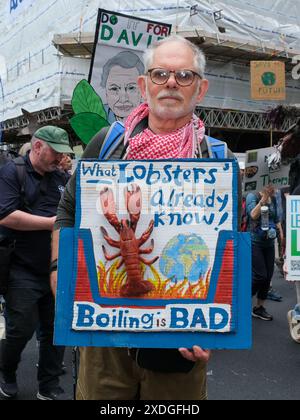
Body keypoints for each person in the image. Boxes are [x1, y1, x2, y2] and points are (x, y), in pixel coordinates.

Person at [52, 35, 239, 401]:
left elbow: (229, 246)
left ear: (200, 90)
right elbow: (67, 211)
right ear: (143, 85)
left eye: (184, 75)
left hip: (180, 339)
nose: (171, 83)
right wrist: (58, 268)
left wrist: (219, 325)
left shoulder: (217, 158)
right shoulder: (106, 144)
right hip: (104, 341)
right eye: (160, 74)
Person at [0, 126, 74, 400]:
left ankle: (49, 385)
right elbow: (6, 215)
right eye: (56, 151)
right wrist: (52, 224)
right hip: (21, 267)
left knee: (56, 331)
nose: (60, 158)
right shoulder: (12, 172)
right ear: (38, 146)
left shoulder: (61, 178)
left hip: (55, 267)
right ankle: (6, 372)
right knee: (20, 329)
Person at [246, 184, 284, 321]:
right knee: (260, 275)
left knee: (268, 276)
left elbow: (276, 218)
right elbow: (253, 215)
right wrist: (264, 198)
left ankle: (259, 308)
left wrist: (281, 233)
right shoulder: (253, 196)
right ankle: (243, 299)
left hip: (269, 242)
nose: (273, 187)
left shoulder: (273, 198)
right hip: (255, 242)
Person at [101, 51, 144, 123]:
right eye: (114, 88)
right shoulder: (97, 115)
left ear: (142, 91)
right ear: (106, 93)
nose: (123, 99)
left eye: (131, 88)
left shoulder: (155, 119)